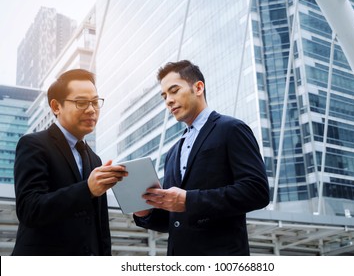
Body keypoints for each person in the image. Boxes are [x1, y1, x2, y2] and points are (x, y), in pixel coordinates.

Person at [134, 60, 270, 255]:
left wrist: (189, 200)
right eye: (164, 96)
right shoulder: (172, 153)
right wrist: (145, 213)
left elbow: (257, 192)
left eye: (174, 90)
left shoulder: (231, 129)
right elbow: (173, 220)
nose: (168, 101)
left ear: (198, 87)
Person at [12, 69, 128, 256]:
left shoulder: (94, 158)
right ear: (56, 106)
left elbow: (100, 226)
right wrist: (87, 189)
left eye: (95, 102)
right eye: (81, 102)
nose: (91, 110)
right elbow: (29, 209)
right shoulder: (33, 144)